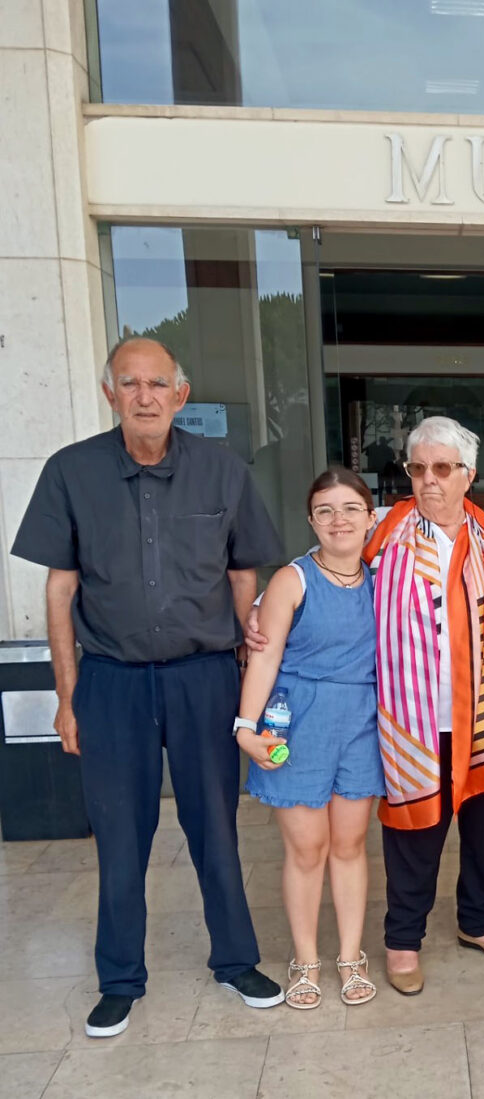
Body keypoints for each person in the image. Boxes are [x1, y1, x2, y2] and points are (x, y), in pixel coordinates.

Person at [11, 337, 285, 1039]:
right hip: (111, 683)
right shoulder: (70, 472)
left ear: (180, 394)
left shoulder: (221, 472)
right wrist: (67, 697)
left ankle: (235, 960)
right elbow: (60, 589)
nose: (144, 396)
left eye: (157, 383)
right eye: (129, 383)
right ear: (110, 393)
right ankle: (119, 979)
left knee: (215, 830)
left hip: (204, 680)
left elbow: (243, 572)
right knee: (120, 835)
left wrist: (239, 659)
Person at [363, 416, 484, 995]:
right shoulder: (381, 535)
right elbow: (327, 579)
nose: (428, 481)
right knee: (414, 835)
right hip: (414, 721)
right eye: (418, 469)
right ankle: (403, 941)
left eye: (442, 469)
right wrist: (267, 615)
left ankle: (479, 923)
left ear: (468, 475)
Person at [237, 468, 386, 1008]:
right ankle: (306, 959)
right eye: (325, 510)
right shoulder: (292, 580)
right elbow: (265, 654)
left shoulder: (383, 578)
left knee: (349, 846)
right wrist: (244, 726)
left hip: (362, 724)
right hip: (298, 722)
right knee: (307, 849)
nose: (338, 519)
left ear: (372, 518)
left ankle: (350, 956)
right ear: (311, 520)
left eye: (350, 508)